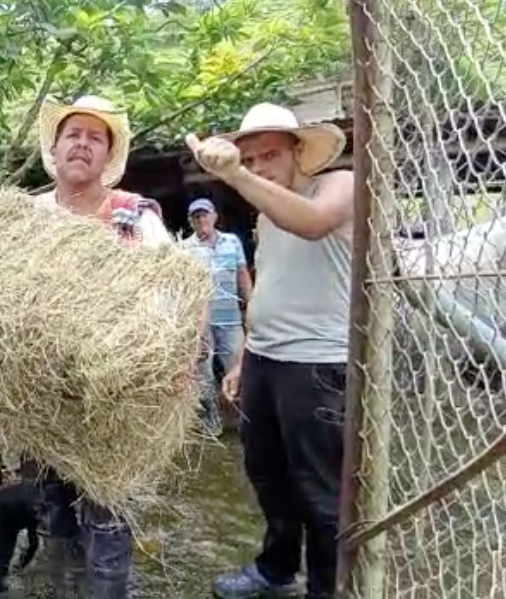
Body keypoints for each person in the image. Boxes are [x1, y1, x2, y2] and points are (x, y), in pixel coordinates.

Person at [186, 103, 353, 599]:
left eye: (270, 155)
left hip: (319, 362)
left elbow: (314, 223)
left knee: (320, 490)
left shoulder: (336, 185)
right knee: (266, 474)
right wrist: (242, 355)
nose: (259, 167)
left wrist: (235, 173)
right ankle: (276, 569)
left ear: (299, 151)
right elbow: (267, 286)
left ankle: (328, 589)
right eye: (250, 159)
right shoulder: (265, 214)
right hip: (265, 358)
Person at [25, 95, 174, 599]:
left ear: (107, 154)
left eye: (95, 137)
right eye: (74, 134)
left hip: (113, 402)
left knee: (108, 518)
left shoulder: (135, 218)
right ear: (55, 147)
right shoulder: (25, 217)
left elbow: (174, 293)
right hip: (38, 398)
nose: (83, 144)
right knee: (53, 509)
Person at [182, 197, 252, 435]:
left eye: (205, 214)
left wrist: (251, 304)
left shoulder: (232, 242)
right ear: (191, 222)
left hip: (231, 319)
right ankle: (210, 424)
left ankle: (247, 422)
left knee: (240, 369)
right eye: (196, 216)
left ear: (214, 217)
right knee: (203, 375)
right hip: (201, 324)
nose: (201, 219)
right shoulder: (184, 248)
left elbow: (242, 274)